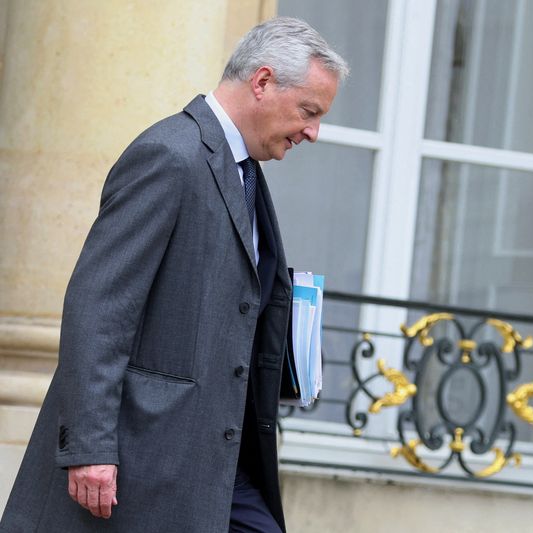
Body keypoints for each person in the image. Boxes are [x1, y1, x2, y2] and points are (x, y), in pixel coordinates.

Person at [0, 17, 348, 533]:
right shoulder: (169, 155)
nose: (313, 133)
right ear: (262, 82)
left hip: (217, 460)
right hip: (146, 459)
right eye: (309, 111)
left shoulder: (244, 170)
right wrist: (90, 447)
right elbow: (98, 307)